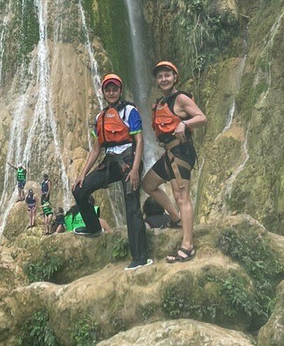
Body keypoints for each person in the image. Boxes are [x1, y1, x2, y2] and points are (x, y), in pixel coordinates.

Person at [72, 73, 149, 269]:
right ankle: (93, 228)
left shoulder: (130, 111)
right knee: (79, 190)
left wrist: (135, 170)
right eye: (108, 89)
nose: (112, 92)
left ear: (120, 91)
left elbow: (139, 141)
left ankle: (140, 257)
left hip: (129, 160)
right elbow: (97, 149)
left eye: (115, 89)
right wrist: (83, 173)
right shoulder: (100, 117)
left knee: (131, 205)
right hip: (110, 163)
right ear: (103, 92)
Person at [141, 60, 207, 263]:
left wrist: (184, 123)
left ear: (175, 77)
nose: (163, 79)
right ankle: (175, 218)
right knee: (148, 184)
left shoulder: (180, 99)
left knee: (182, 197)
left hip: (182, 152)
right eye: (160, 76)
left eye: (167, 75)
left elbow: (202, 117)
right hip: (169, 154)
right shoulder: (162, 102)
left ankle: (188, 246)